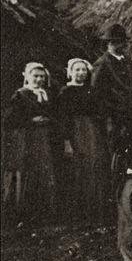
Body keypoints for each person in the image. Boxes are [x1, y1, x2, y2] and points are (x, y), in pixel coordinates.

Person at [91, 24, 132, 179]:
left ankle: (130, 184)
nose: (120, 45)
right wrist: (109, 115)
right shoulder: (102, 64)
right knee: (115, 154)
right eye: (115, 41)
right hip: (115, 119)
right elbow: (96, 95)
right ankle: (115, 187)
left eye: (122, 41)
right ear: (109, 43)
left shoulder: (128, 62)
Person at [3, 62, 58, 221]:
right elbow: (10, 120)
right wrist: (30, 121)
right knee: (28, 169)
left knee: (44, 169)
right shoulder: (20, 95)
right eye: (35, 76)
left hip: (44, 137)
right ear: (27, 76)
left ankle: (44, 210)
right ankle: (25, 210)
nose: (39, 79)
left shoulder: (47, 94)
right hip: (27, 138)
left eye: (42, 76)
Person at [56, 58, 109, 222]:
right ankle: (80, 212)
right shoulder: (65, 92)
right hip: (75, 132)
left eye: (83, 70)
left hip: (92, 132)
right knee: (79, 168)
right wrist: (66, 142)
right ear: (71, 72)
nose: (80, 73)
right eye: (77, 70)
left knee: (95, 167)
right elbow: (63, 118)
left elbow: (99, 113)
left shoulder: (92, 91)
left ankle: (96, 209)